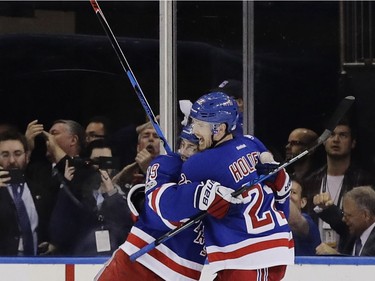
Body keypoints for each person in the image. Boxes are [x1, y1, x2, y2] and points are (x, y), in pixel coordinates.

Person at [147, 92, 294, 280]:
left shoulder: (199, 164)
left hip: (250, 256)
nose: (194, 130)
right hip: (265, 249)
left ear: (220, 129)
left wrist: (167, 171)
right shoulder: (251, 142)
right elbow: (281, 192)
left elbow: (173, 210)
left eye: (200, 125)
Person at [95, 124, 203, 281]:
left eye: (191, 147)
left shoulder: (221, 178)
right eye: (182, 144)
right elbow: (161, 215)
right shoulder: (165, 166)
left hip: (182, 273)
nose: (183, 152)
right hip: (137, 263)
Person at [48, 139, 132, 256]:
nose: (100, 167)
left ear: (115, 163)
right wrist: (68, 187)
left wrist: (111, 192)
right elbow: (58, 232)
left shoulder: (128, 194)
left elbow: (126, 225)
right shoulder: (77, 195)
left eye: (106, 161)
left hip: (115, 261)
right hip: (81, 261)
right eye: (96, 161)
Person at [304, 119, 375, 254]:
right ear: (323, 141)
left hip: (350, 255)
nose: (336, 139)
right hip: (313, 255)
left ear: (353, 143)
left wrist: (337, 256)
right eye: (331, 135)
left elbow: (358, 227)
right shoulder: (309, 181)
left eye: (343, 135)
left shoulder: (366, 181)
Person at [24, 119, 87, 254]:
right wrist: (26, 148)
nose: (48, 139)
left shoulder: (86, 169)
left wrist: (54, 146)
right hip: (37, 252)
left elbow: (72, 176)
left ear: (73, 140)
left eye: (54, 134)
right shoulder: (37, 171)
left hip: (74, 252)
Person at [0, 130, 38, 256]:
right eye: (5, 155)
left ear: (27, 156)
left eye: (17, 154)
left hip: (39, 264)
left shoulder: (38, 187)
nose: (11, 160)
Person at [316, 185, 375, 256]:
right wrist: (324, 206)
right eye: (344, 214)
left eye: (348, 216)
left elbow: (366, 265)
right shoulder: (353, 229)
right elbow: (338, 218)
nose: (344, 219)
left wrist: (337, 257)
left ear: (366, 215)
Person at [112, 120, 161, 192]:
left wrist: (149, 169)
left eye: (156, 136)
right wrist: (120, 179)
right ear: (138, 148)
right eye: (146, 136)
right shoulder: (130, 172)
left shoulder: (169, 169)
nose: (150, 139)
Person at [288, 178, 321, 256]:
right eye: (286, 191)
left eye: (293, 192)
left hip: (304, 268)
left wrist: (282, 195)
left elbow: (294, 221)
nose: (289, 195)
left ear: (303, 202)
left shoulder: (308, 222)